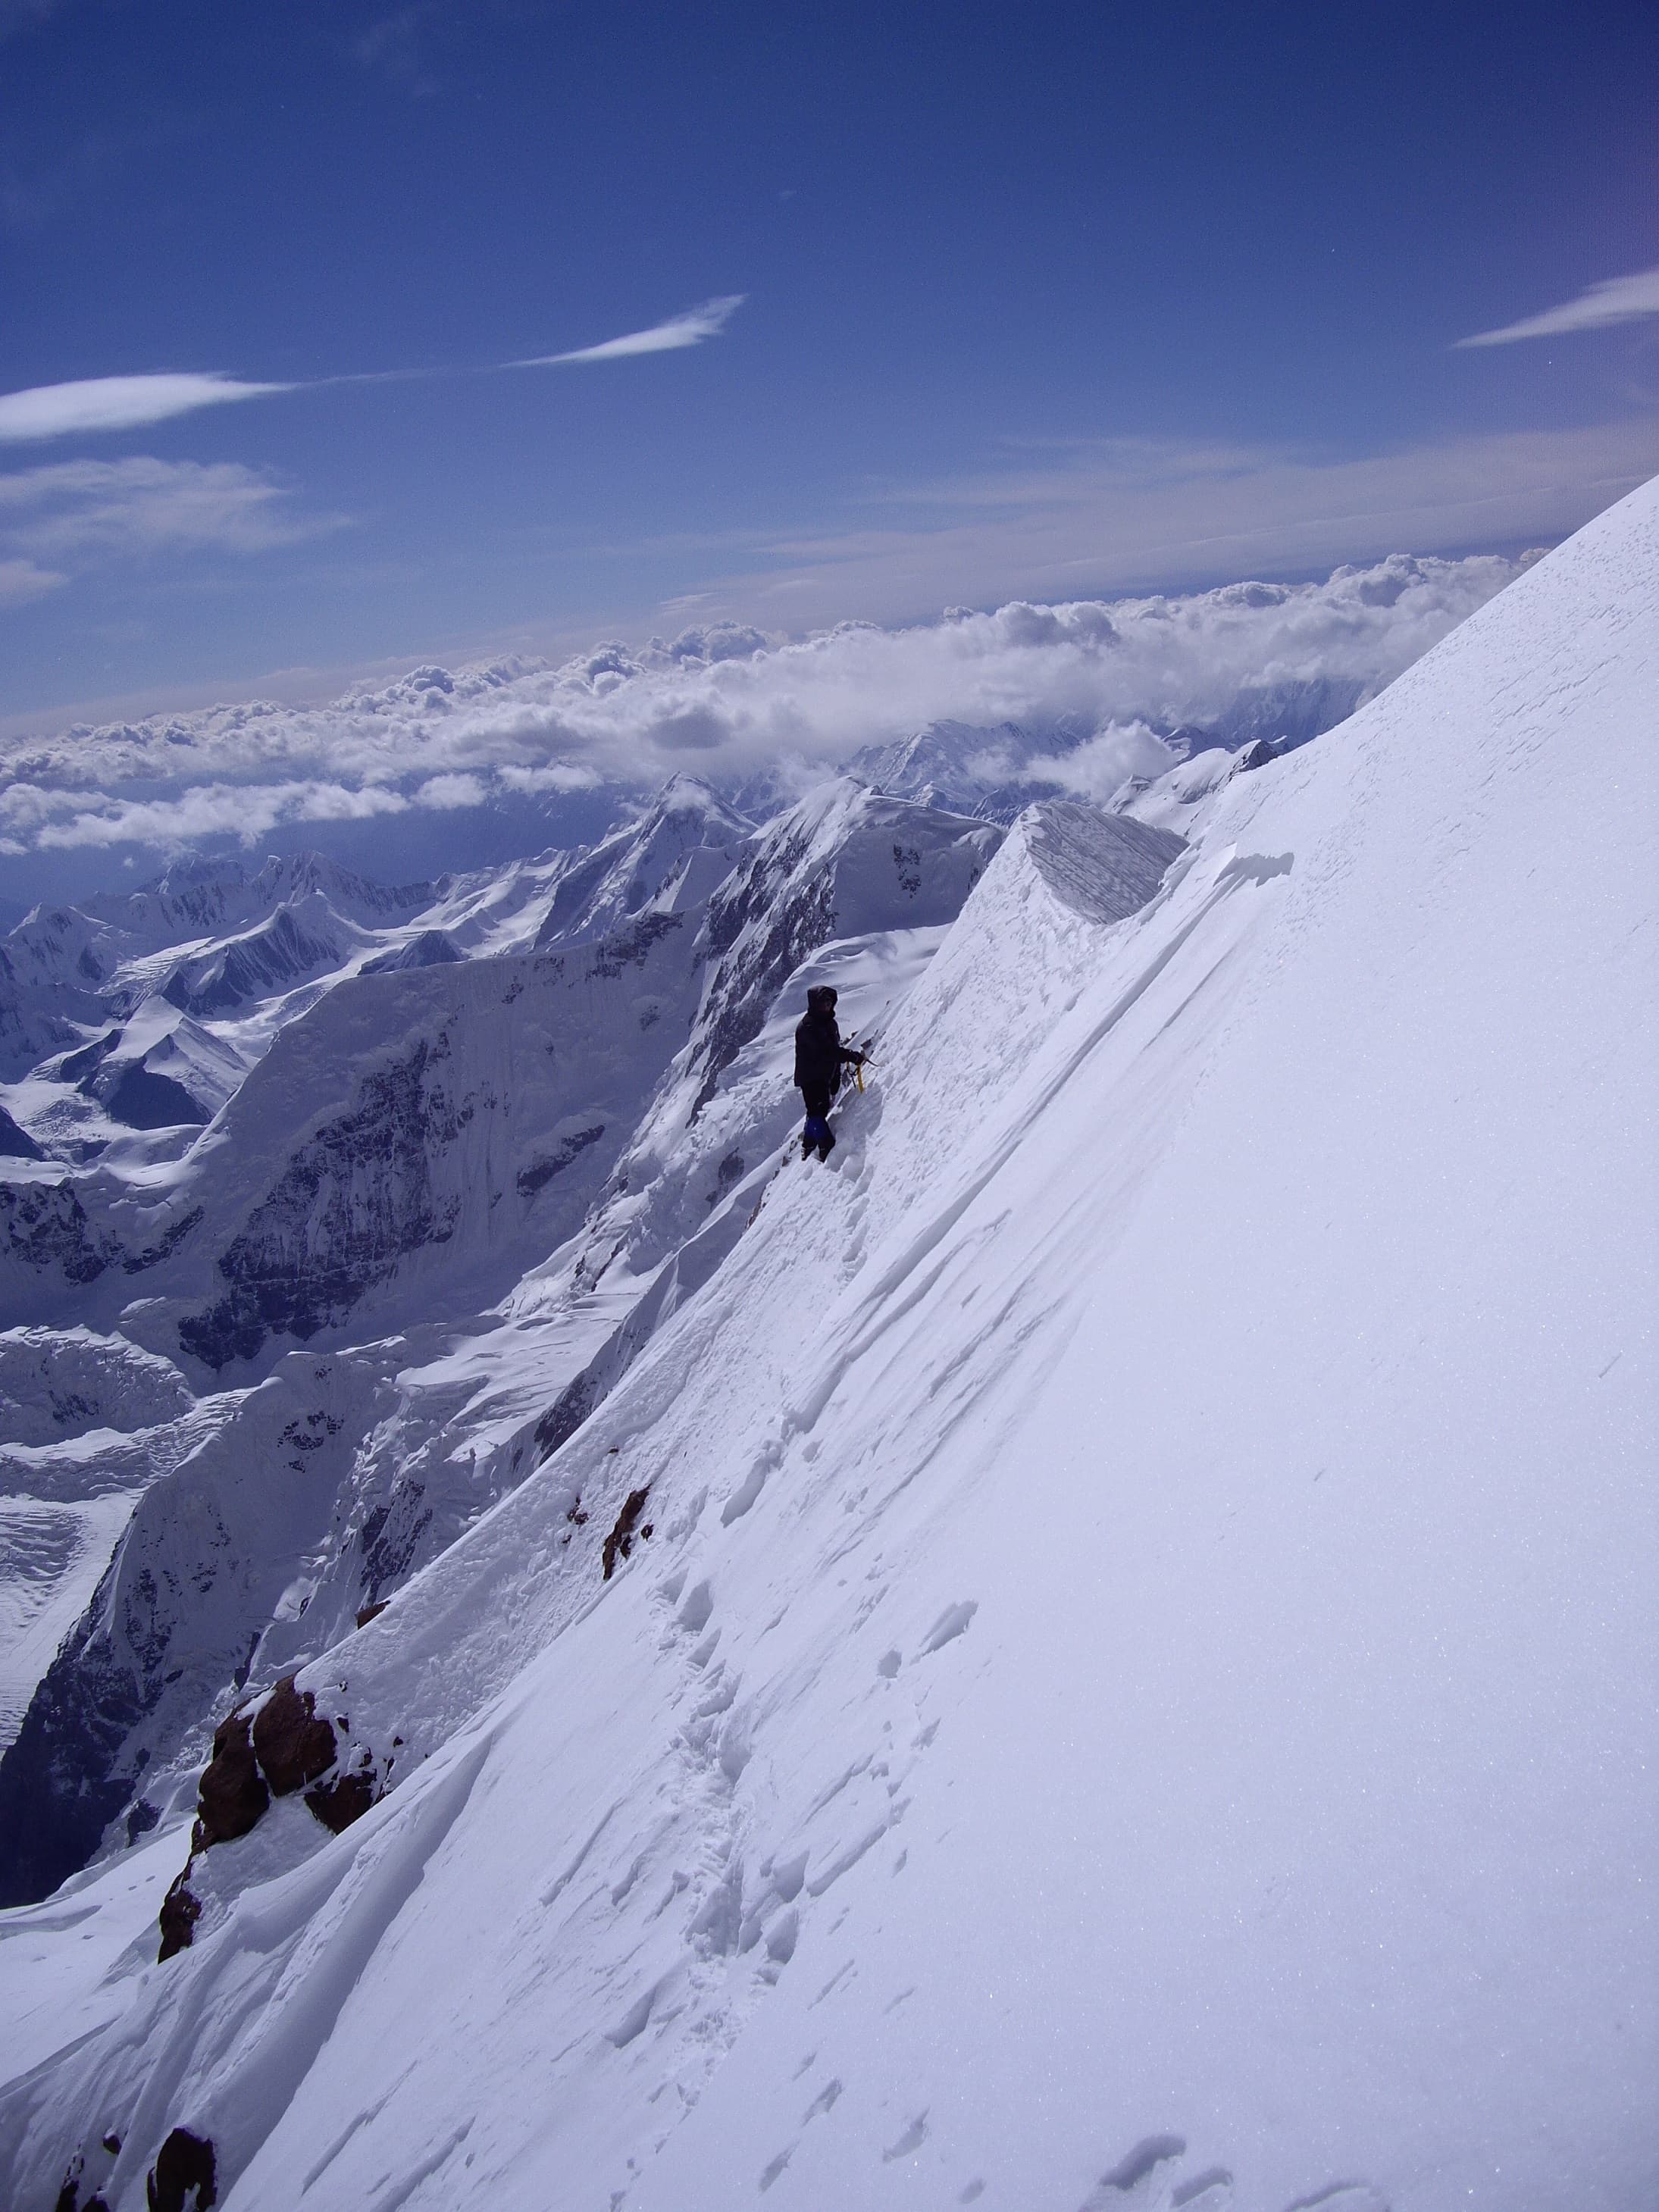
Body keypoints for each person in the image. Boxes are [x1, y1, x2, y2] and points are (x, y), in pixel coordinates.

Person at [793, 984, 865, 1160]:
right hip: (810, 1076)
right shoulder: (808, 1027)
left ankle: (808, 1143)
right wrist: (850, 1056)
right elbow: (827, 1051)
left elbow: (831, 1050)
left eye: (829, 1002)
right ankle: (826, 1146)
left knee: (818, 1109)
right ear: (815, 1004)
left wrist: (835, 1074)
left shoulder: (827, 1023)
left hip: (821, 1074)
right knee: (817, 1111)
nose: (827, 1006)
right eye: (823, 1003)